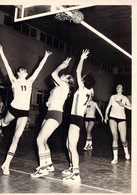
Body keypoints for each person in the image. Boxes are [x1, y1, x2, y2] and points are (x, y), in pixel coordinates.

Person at [0, 43, 52, 175]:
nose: (25, 70)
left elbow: (38, 69)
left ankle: (6, 164)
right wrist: (1, 51)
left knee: (16, 137)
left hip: (24, 112)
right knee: (5, 122)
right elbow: (7, 66)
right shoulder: (14, 81)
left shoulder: (30, 81)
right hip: (14, 109)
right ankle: (3, 121)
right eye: (23, 70)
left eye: (25, 70)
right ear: (18, 73)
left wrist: (46, 58)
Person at [31, 57, 74, 178]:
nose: (62, 75)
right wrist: (49, 101)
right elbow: (53, 78)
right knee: (43, 140)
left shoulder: (65, 87)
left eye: (65, 75)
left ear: (67, 81)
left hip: (55, 114)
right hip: (50, 113)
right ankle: (49, 164)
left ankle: (43, 168)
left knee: (39, 140)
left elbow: (53, 74)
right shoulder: (58, 87)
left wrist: (61, 66)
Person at [62, 49, 95, 183]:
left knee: (72, 146)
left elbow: (77, 71)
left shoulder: (83, 89)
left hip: (76, 118)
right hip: (76, 118)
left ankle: (76, 174)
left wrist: (81, 58)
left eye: (83, 78)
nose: (80, 78)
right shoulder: (89, 91)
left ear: (84, 80)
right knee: (68, 143)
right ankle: (71, 167)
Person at [104, 84, 131, 164]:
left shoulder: (125, 98)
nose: (118, 88)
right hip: (112, 117)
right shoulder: (112, 97)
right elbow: (108, 107)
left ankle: (126, 152)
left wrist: (123, 105)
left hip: (122, 119)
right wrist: (106, 116)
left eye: (120, 87)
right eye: (117, 87)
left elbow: (132, 107)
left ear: (122, 90)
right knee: (115, 136)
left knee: (123, 139)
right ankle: (115, 158)